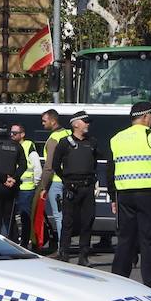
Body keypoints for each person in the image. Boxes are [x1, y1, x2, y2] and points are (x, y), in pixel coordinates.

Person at [107, 101, 151, 292]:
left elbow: (110, 170)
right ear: (146, 117)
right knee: (149, 240)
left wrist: (112, 196)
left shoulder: (116, 138)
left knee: (125, 239)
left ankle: (117, 283)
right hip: (148, 193)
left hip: (124, 194)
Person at [53, 111, 101, 265]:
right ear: (75, 124)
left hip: (87, 187)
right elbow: (55, 165)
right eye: (85, 121)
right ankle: (64, 253)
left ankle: (83, 255)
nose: (88, 124)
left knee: (87, 221)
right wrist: (66, 181)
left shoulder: (92, 142)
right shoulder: (64, 142)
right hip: (71, 188)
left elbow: (94, 163)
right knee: (68, 222)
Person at [0, 122, 27, 239]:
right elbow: (23, 165)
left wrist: (3, 179)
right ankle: (14, 244)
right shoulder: (16, 145)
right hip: (11, 188)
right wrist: (13, 178)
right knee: (10, 219)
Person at [35, 110, 72, 253]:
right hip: (69, 180)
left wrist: (44, 186)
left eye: (44, 120)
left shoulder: (53, 139)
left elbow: (49, 166)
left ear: (53, 121)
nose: (42, 123)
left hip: (56, 182)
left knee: (59, 216)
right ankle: (65, 246)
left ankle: (61, 248)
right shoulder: (68, 134)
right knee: (68, 216)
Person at [10, 124, 42, 247]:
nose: (12, 135)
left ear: (22, 134)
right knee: (13, 217)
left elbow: (37, 168)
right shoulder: (12, 146)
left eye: (15, 133)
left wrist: (35, 184)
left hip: (26, 189)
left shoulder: (28, 146)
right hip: (14, 187)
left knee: (25, 218)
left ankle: (25, 242)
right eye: (11, 133)